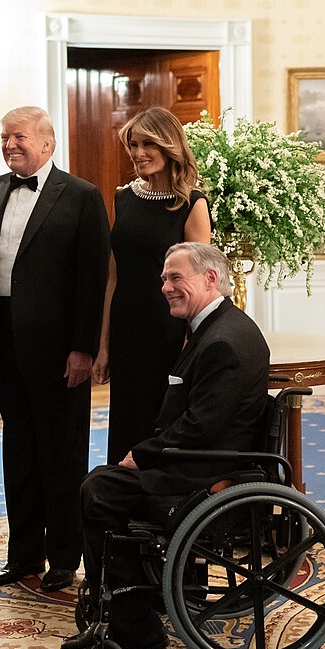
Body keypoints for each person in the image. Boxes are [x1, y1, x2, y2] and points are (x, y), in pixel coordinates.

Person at [60, 242, 270, 649]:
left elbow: (201, 427)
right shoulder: (217, 328)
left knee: (99, 491)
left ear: (210, 278)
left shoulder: (223, 341)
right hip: (200, 461)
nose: (165, 287)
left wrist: (144, 454)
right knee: (100, 483)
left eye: (175, 277)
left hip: (206, 474)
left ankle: (133, 625)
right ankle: (120, 613)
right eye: (163, 279)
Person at [0, 106, 109, 593]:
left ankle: (64, 556)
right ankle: (22, 555)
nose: (9, 145)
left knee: (61, 450)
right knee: (18, 447)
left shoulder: (81, 196)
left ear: (47, 142)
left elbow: (92, 279)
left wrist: (83, 348)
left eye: (18, 137)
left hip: (59, 346)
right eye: (4, 137)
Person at [92, 106, 212, 464]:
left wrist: (192, 344)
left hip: (169, 333)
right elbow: (113, 278)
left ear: (169, 145)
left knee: (163, 423)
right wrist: (103, 346)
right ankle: (124, 495)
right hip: (127, 331)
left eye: (148, 144)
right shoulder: (123, 198)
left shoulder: (192, 203)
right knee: (127, 423)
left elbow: (202, 285)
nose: (138, 153)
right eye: (133, 144)